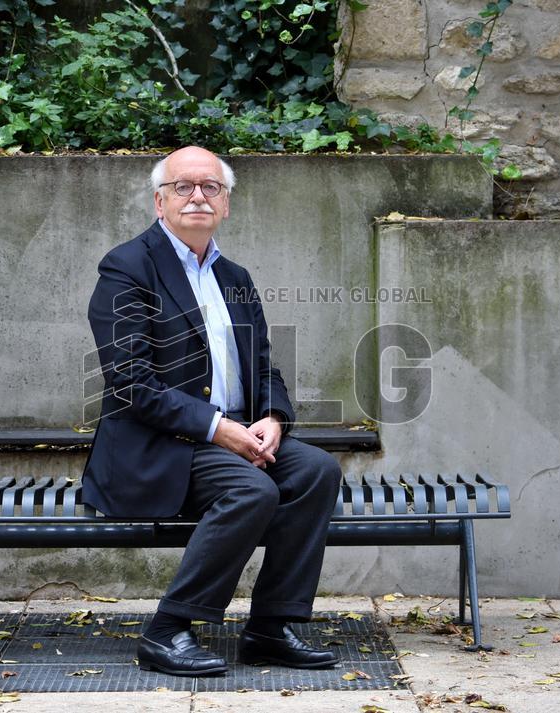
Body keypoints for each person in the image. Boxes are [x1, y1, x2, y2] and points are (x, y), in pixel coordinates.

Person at [81, 146, 343, 676]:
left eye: (211, 188)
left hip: (233, 435)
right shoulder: (128, 267)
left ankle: (271, 628)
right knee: (252, 490)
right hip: (158, 445)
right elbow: (130, 383)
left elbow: (263, 365)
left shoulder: (235, 277)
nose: (197, 196)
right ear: (160, 202)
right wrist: (217, 428)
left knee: (317, 470)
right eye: (183, 187)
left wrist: (272, 418)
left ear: (226, 205)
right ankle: (168, 629)